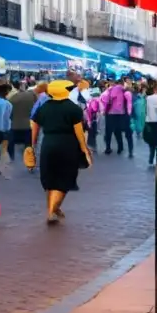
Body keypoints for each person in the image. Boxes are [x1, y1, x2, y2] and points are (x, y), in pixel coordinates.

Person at [30, 79, 92, 223]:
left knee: (49, 176)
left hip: (48, 143)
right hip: (67, 145)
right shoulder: (73, 108)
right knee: (65, 177)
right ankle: (51, 211)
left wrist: (31, 145)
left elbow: (35, 127)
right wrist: (84, 150)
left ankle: (54, 207)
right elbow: (79, 133)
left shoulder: (44, 108)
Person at [101, 79, 133, 157]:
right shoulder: (126, 92)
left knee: (109, 131)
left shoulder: (109, 90)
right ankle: (122, 148)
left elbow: (104, 100)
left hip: (110, 114)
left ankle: (108, 148)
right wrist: (129, 113)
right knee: (120, 132)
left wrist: (103, 111)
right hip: (121, 114)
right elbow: (129, 104)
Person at [8, 81, 37, 162]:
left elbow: (9, 112)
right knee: (28, 145)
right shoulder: (32, 96)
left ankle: (12, 159)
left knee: (12, 144)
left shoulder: (12, 97)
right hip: (28, 125)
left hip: (14, 126)